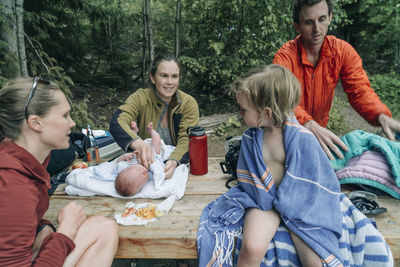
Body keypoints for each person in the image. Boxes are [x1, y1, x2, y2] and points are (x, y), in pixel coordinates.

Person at [196, 65, 392, 266]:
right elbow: (250, 180)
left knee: (313, 260)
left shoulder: (302, 139)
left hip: (300, 204)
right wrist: (269, 200)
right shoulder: (250, 139)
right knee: (251, 249)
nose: (239, 113)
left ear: (267, 112)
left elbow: (317, 182)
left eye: (243, 109)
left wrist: (290, 204)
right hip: (264, 201)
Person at [0, 77, 119, 266]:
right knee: (104, 230)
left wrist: (43, 229)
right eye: (65, 116)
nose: (72, 123)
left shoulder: (22, 163)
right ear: (36, 123)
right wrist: (66, 231)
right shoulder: (13, 188)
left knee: (104, 227)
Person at [272, 0, 400, 160]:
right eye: (309, 22)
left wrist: (381, 115)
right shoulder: (284, 58)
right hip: (285, 133)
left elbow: (359, 91)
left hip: (318, 132)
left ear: (330, 18)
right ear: (297, 26)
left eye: (322, 19)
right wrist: (307, 123)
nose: (317, 29)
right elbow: (280, 99)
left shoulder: (343, 52)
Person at [110, 54, 199, 178]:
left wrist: (173, 161)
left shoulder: (188, 103)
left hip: (175, 167)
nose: (170, 82)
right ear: (153, 78)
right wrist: (139, 144)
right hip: (143, 168)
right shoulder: (140, 98)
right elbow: (118, 121)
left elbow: (187, 139)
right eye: (164, 76)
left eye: (174, 76)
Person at [114, 122, 163, 197]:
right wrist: (158, 183)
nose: (144, 172)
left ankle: (134, 132)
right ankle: (151, 131)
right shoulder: (151, 169)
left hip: (137, 151)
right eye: (144, 179)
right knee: (157, 140)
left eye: (139, 171)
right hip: (153, 153)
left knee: (132, 145)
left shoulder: (124, 167)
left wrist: (125, 156)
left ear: (129, 168)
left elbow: (119, 161)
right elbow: (159, 173)